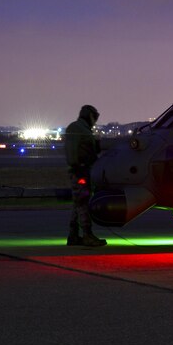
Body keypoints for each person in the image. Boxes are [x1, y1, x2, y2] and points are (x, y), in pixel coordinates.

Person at [64, 105, 106, 247]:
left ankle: (73, 235)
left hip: (84, 171)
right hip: (80, 171)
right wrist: (77, 167)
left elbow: (90, 151)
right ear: (90, 116)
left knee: (78, 203)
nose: (95, 121)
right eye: (95, 118)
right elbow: (72, 151)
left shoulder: (83, 129)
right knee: (83, 203)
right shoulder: (76, 128)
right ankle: (87, 235)